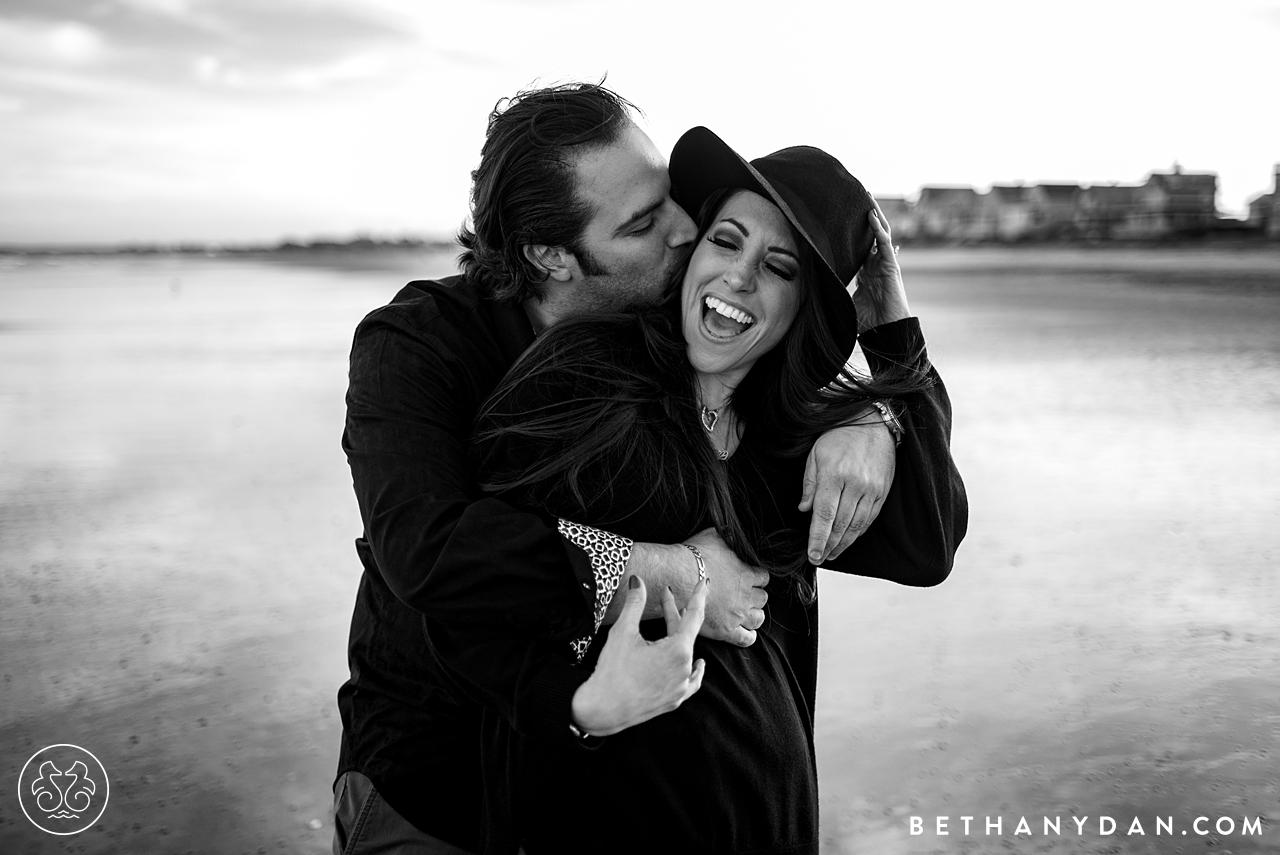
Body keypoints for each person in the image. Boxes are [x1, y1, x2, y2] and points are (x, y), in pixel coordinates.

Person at [334, 83, 907, 854]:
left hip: (614, 795)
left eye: (670, 198)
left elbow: (799, 374)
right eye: (641, 223)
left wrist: (878, 419)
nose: (683, 230)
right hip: (436, 784)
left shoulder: (666, 319)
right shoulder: (416, 346)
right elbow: (430, 548)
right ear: (550, 254)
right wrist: (668, 571)